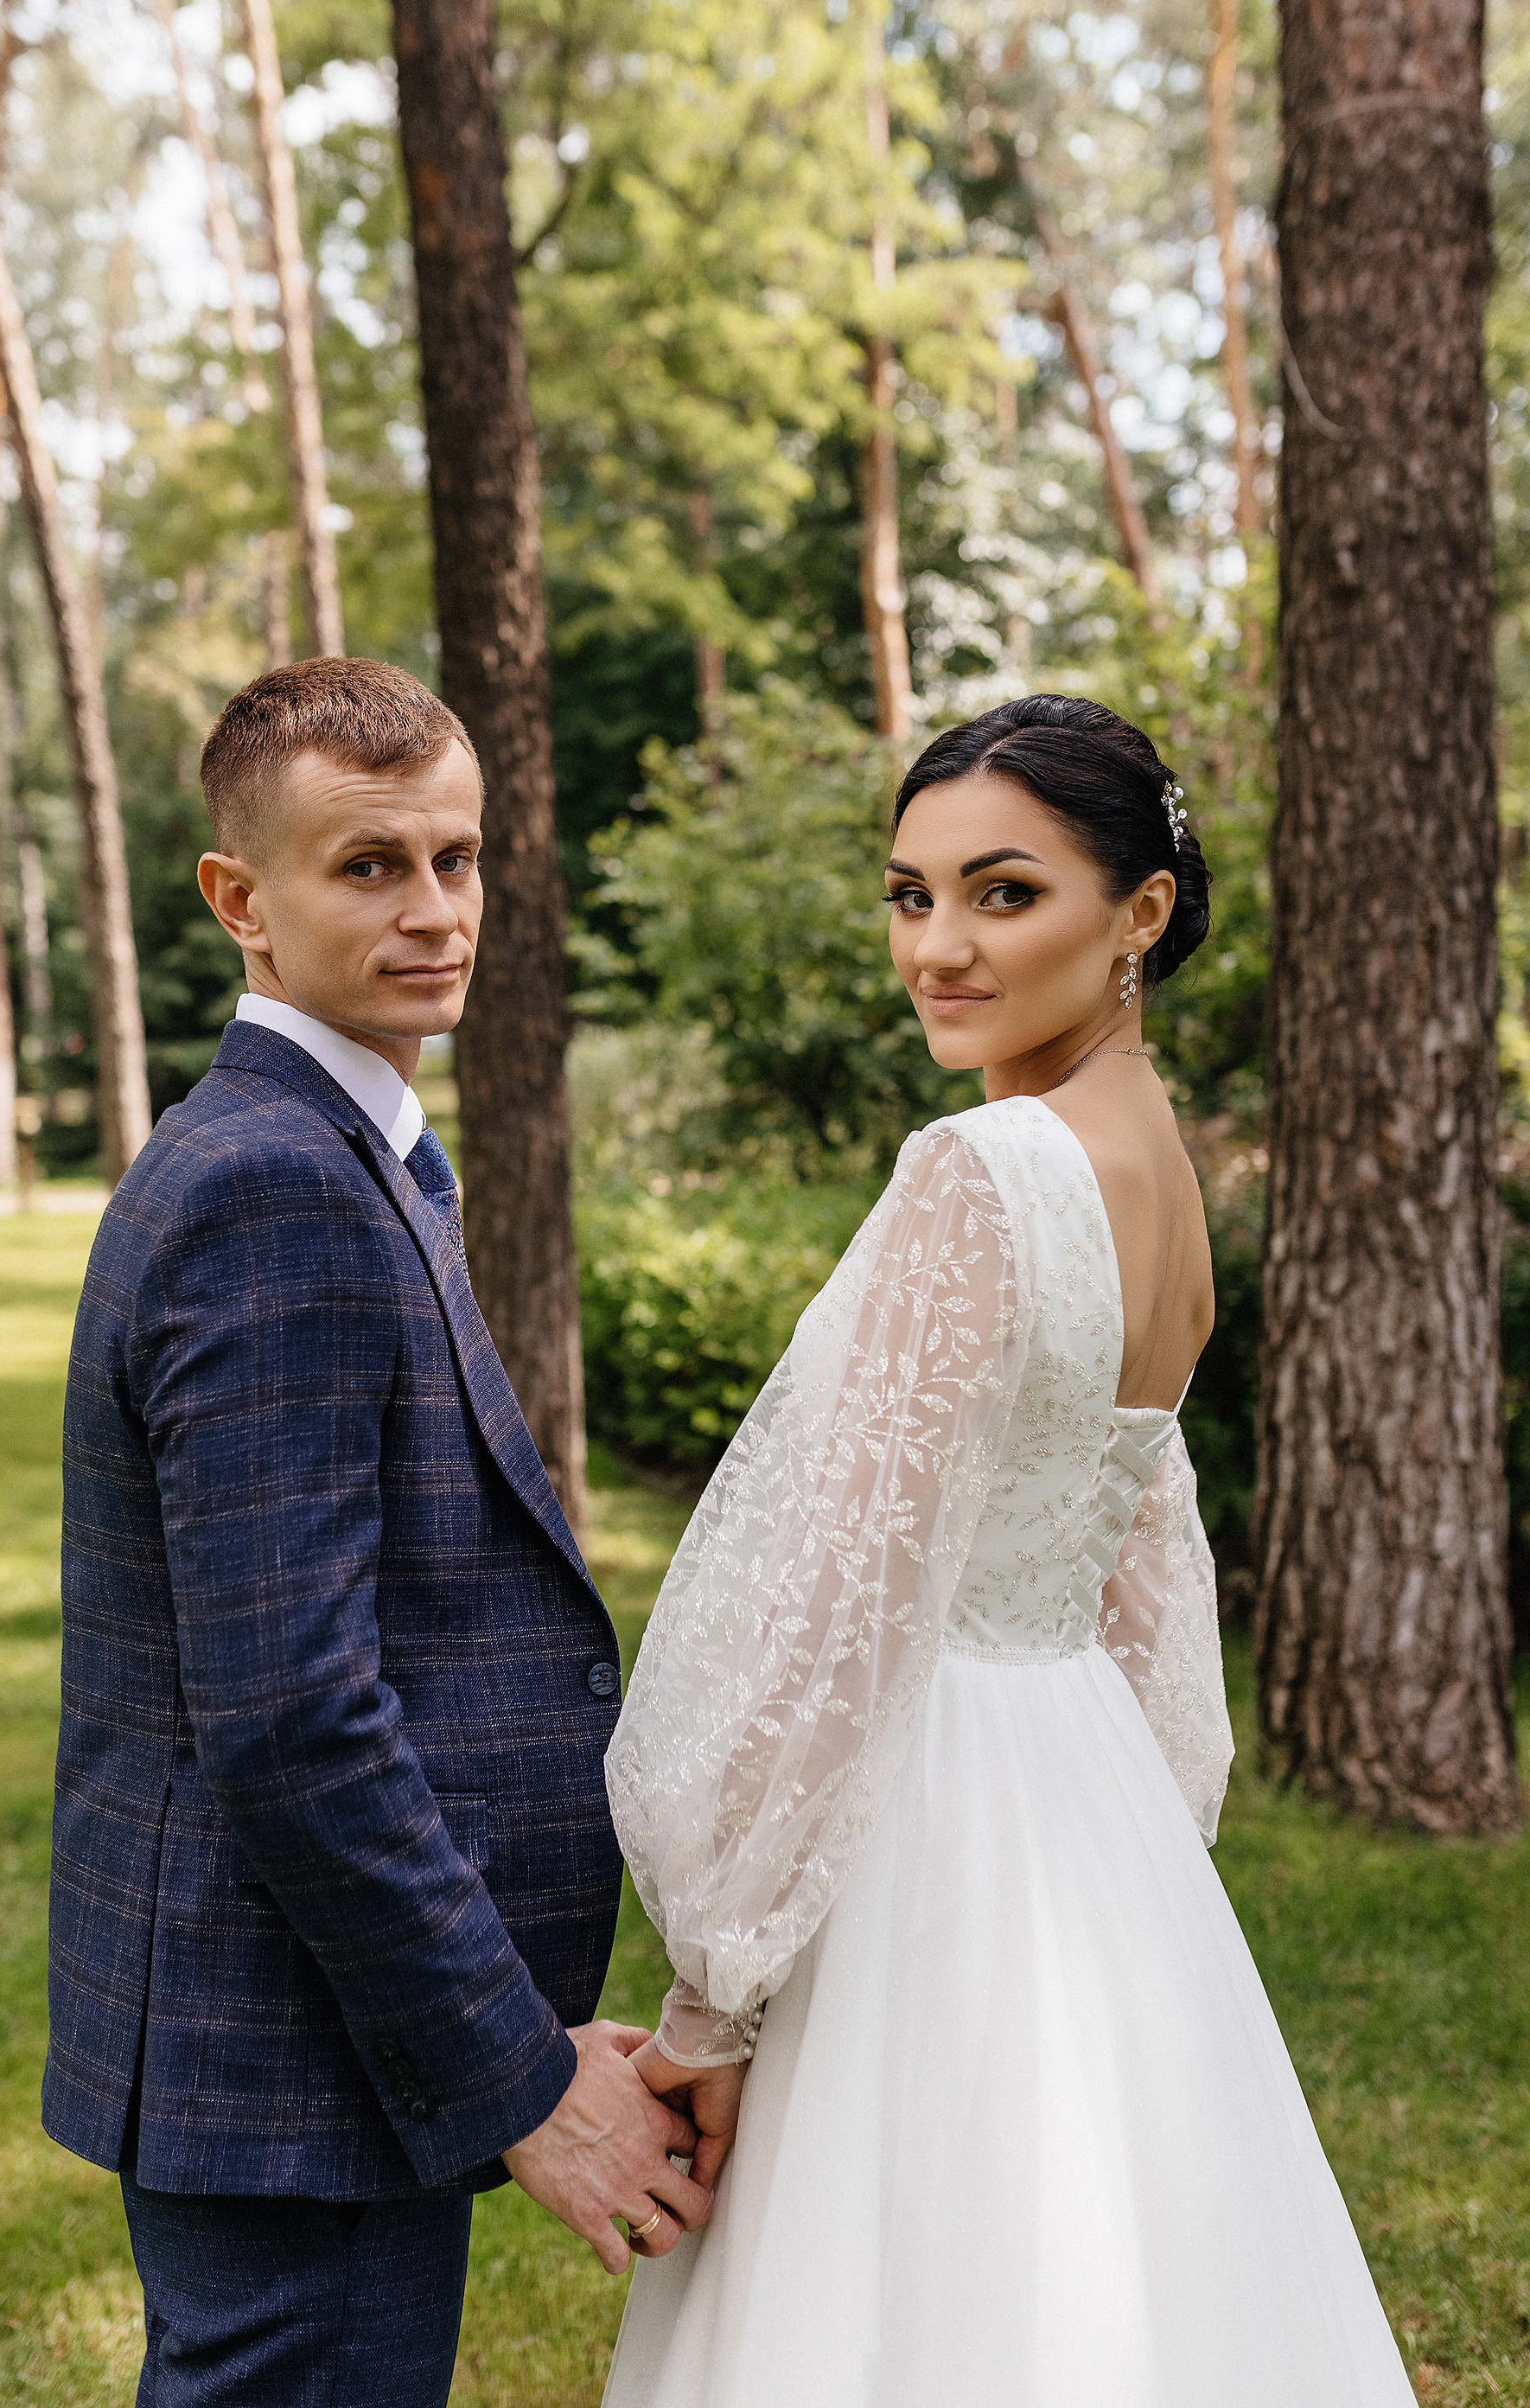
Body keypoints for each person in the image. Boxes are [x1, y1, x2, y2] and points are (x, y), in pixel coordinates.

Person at [602, 695, 1417, 2407]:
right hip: (1078, 1794)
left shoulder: (982, 1171)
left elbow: (847, 1604)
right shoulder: (1165, 1181)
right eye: (909, 896)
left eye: (1001, 893)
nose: (939, 948)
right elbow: (1132, 1553)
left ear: (1139, 913)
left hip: (931, 1809)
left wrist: (713, 1997)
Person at [42, 657, 710, 2408]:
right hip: (289, 2062)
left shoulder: (347, 1152)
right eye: (368, 867)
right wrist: (520, 2078)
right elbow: (291, 1718)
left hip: (308, 2050)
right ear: (238, 903)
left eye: (459, 858)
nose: (433, 911)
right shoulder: (271, 1188)